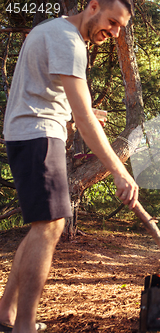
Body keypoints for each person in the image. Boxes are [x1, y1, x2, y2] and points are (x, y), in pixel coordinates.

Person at [0, 1, 138, 332]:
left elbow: (49, 95)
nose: (115, 32)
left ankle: (6, 315)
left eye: (120, 27)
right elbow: (83, 118)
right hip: (38, 135)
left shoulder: (52, 30)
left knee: (42, 227)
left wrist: (81, 115)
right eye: (112, 21)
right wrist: (119, 171)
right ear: (93, 6)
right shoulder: (69, 40)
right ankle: (25, 326)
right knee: (51, 226)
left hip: (30, 133)